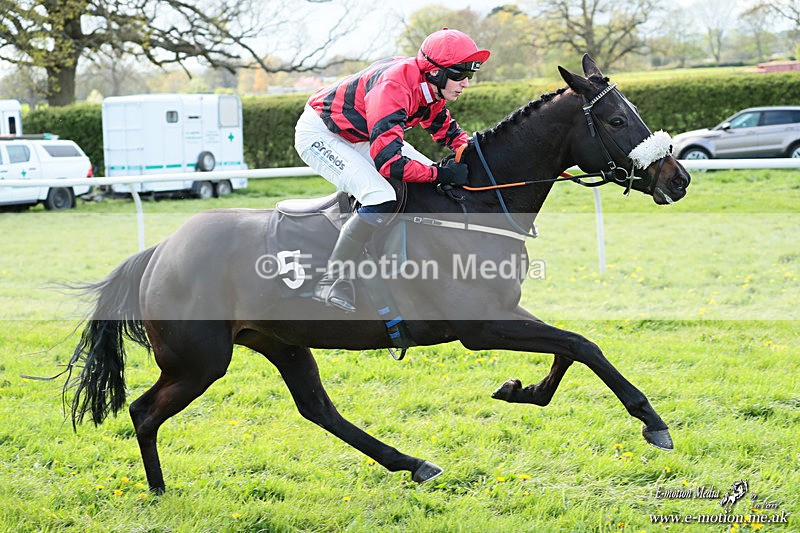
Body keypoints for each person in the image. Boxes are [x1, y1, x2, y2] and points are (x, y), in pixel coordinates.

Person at [294, 28, 490, 312]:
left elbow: (446, 131)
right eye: (459, 75)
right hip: (321, 134)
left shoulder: (428, 87)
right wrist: (442, 174)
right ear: (435, 72)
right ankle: (332, 279)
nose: (465, 84)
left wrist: (477, 152)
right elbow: (390, 163)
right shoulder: (394, 87)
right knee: (379, 195)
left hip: (359, 134)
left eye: (469, 75)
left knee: (425, 179)